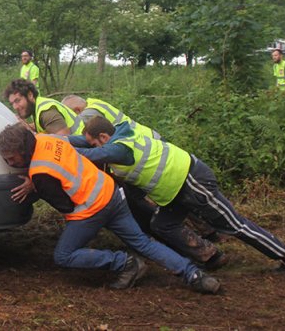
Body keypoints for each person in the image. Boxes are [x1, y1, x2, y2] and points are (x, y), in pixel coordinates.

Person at [0, 123, 220, 294]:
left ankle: (125, 263)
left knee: (64, 255)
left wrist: (34, 187)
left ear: (24, 150)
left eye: (11, 159)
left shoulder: (40, 172)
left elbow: (65, 205)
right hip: (112, 194)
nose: (11, 164)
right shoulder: (47, 139)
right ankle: (194, 275)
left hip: (91, 210)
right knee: (142, 242)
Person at [76, 116, 285, 272]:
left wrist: (57, 149)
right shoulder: (124, 135)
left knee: (235, 225)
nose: (95, 147)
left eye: (95, 143)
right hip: (174, 193)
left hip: (192, 181)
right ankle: (210, 256)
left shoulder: (120, 148)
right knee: (163, 225)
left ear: (104, 138)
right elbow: (84, 145)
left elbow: (93, 156)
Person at [62, 95, 223, 263]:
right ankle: (206, 239)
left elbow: (96, 151)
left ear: (77, 110)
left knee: (176, 201)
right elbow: (89, 141)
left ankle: (205, 241)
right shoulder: (100, 111)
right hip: (147, 152)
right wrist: (61, 140)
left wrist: (60, 149)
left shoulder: (92, 119)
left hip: (149, 160)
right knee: (165, 207)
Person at [4, 79, 77, 135]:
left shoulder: (47, 112)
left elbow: (63, 143)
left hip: (81, 149)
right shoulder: (35, 107)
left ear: (30, 95)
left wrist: (31, 133)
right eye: (12, 104)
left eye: (17, 101)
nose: (15, 107)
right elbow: (43, 126)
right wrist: (26, 126)